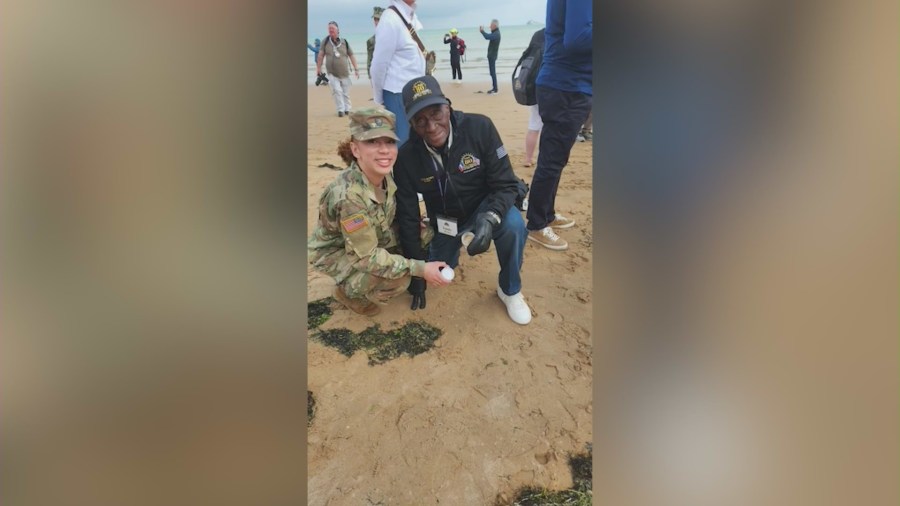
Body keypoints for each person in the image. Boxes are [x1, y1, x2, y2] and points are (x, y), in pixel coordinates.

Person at [393, 75, 532, 325]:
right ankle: (450, 250)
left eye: (436, 113)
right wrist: (416, 274)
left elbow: (507, 184)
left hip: (485, 206)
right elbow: (408, 216)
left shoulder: (480, 128)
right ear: (411, 124)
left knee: (513, 226)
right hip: (445, 221)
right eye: (420, 120)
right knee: (442, 271)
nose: (431, 126)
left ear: (448, 106)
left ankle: (509, 290)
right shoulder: (405, 159)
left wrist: (490, 218)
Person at [308, 107, 449, 316]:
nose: (384, 150)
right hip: (337, 252)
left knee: (424, 233)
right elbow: (365, 258)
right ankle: (348, 292)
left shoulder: (384, 176)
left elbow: (389, 215)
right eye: (372, 142)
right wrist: (419, 269)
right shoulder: (349, 197)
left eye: (389, 141)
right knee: (399, 279)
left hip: (370, 235)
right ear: (355, 150)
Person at [525, 0, 592, 251]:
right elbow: (577, 39)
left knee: (556, 158)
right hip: (566, 86)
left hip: (567, 85)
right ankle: (536, 224)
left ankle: (546, 214)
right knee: (552, 160)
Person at [370, 0, 426, 146]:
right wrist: (379, 97)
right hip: (397, 93)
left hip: (414, 92)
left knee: (417, 142)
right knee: (404, 145)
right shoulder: (390, 19)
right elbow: (378, 65)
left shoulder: (409, 15)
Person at [316, 21, 361, 117]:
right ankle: (340, 109)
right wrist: (318, 68)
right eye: (329, 28)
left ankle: (347, 108)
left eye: (332, 28)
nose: (330, 30)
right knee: (337, 91)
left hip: (344, 73)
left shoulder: (344, 42)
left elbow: (351, 55)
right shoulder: (326, 41)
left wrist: (356, 69)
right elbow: (320, 55)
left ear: (338, 30)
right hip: (332, 72)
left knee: (346, 92)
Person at [478, 19, 501, 94]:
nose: (490, 26)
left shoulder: (496, 34)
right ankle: (494, 88)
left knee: (493, 72)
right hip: (491, 55)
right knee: (492, 72)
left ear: (494, 25)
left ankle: (495, 89)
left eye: (491, 25)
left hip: (492, 56)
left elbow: (487, 37)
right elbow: (489, 36)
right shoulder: (495, 33)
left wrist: (482, 31)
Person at [366, 7, 384, 80]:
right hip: (377, 76)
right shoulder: (371, 41)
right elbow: (369, 60)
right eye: (375, 19)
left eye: (378, 19)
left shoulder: (394, 37)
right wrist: (370, 76)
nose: (376, 22)